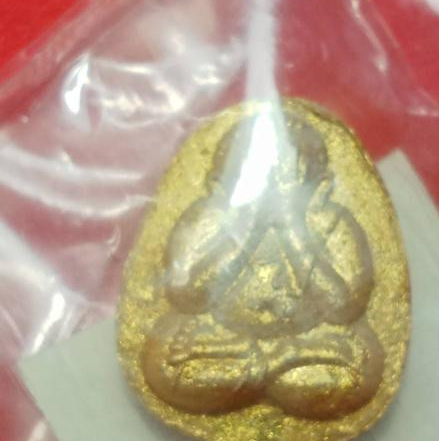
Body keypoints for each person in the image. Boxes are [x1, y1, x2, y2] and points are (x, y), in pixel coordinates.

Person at [143, 108, 384, 420]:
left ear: (321, 188)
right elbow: (185, 295)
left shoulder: (333, 221)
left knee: (357, 370)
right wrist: (246, 230)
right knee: (162, 358)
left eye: (287, 178)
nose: (269, 192)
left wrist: (293, 228)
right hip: (223, 335)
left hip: (308, 337)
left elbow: (345, 308)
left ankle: (267, 362)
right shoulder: (207, 217)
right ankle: (277, 361)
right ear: (218, 187)